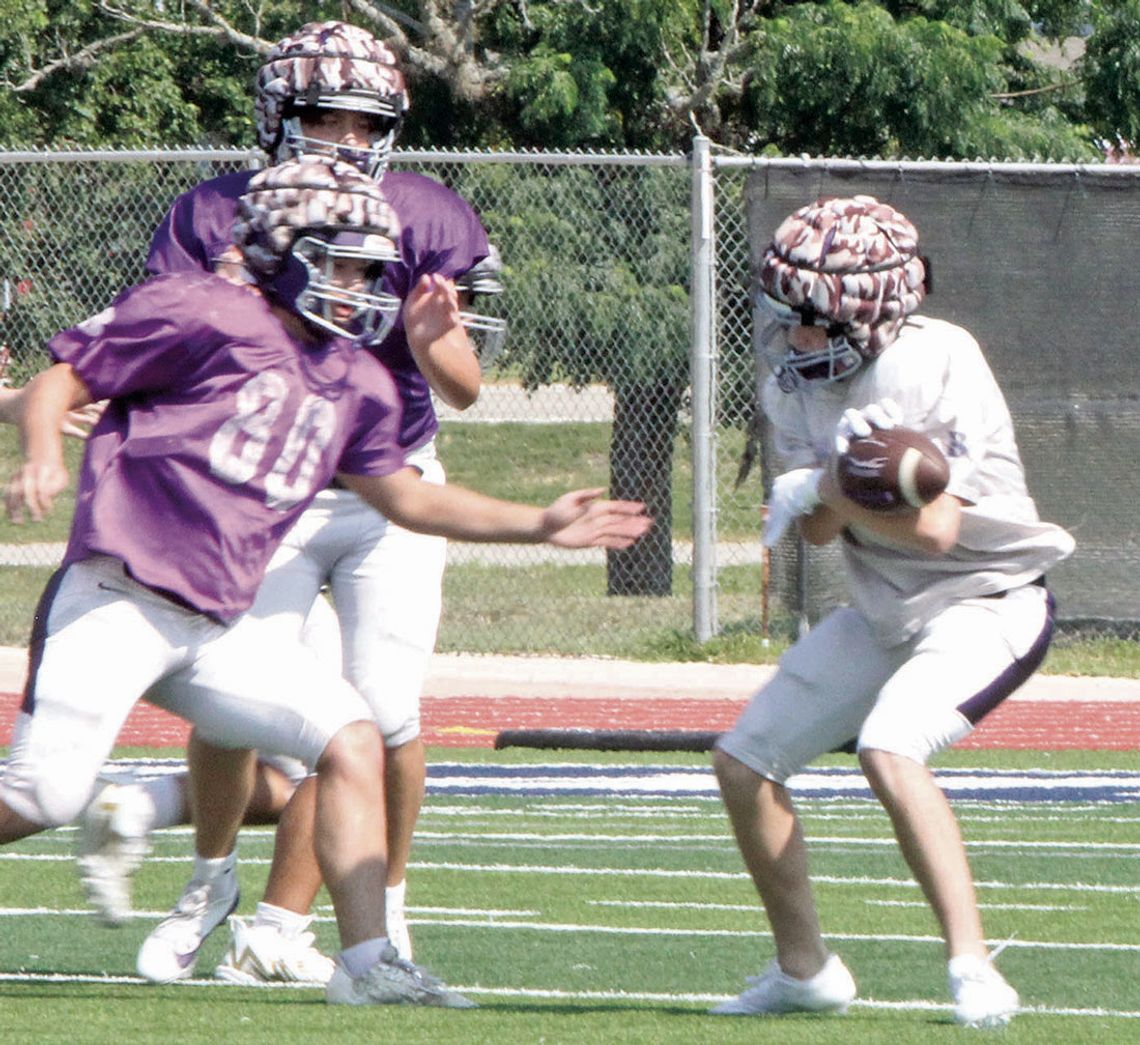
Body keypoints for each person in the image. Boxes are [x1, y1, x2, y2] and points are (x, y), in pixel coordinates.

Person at [1, 156, 649, 1005]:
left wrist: (537, 523)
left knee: (350, 735)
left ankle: (368, 960)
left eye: (365, 267)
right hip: (122, 596)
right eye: (339, 262)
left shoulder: (353, 378)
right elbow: (60, 381)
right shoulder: (201, 309)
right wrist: (43, 452)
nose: (356, 285)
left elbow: (404, 496)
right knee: (46, 794)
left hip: (216, 624)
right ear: (282, 250)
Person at [75, 19, 506, 975]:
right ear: (279, 116)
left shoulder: (424, 214)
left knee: (381, 713)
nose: (350, 140)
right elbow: (168, 338)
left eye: (366, 122)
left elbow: (467, 384)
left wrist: (436, 342)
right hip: (260, 490)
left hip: (385, 486)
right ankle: (210, 877)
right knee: (236, 707)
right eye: (327, 117)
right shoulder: (210, 214)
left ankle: (355, 920)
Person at [711, 195, 1074, 1028]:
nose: (793, 333)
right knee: (743, 761)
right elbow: (816, 528)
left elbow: (940, 529)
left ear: (867, 310)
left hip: (986, 599)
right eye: (785, 309)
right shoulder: (791, 380)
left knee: (888, 744)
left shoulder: (936, 360)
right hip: (886, 607)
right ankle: (805, 969)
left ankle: (974, 966)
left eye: (809, 314)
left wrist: (836, 481)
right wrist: (825, 487)